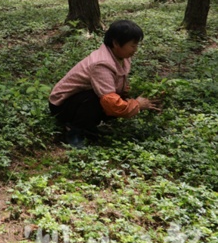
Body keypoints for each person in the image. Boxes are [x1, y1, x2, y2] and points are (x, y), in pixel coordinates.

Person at [48, 20, 161, 148]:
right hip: (62, 105)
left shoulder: (121, 57)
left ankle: (88, 126)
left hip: (78, 99)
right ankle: (74, 131)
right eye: (133, 46)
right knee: (99, 100)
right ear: (116, 43)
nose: (135, 50)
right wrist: (137, 105)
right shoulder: (101, 64)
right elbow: (111, 104)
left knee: (116, 98)